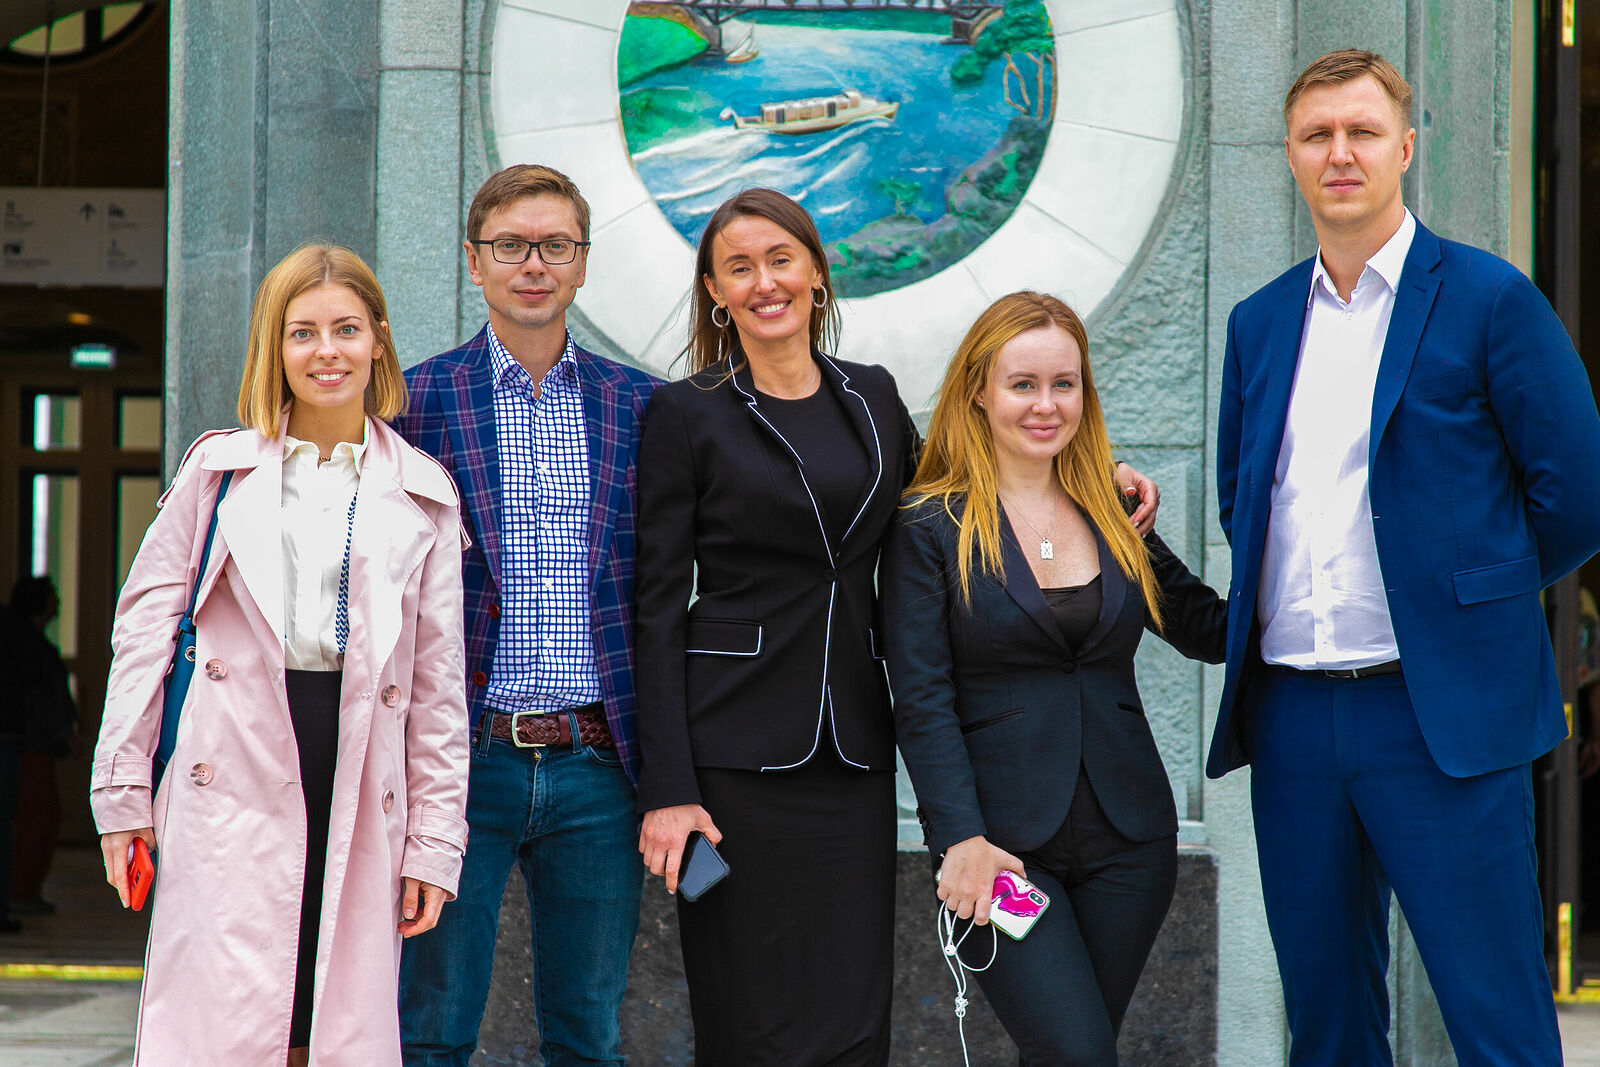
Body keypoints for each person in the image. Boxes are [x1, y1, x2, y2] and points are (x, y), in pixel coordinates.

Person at [633, 191, 1160, 1064]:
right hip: (730, 753)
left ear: (816, 272)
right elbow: (655, 608)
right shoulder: (688, 412)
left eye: (781, 260)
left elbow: (963, 495)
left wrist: (1097, 475)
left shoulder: (871, 396)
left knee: (852, 1011)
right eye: (739, 267)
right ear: (716, 292)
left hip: (854, 750)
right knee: (748, 1014)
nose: (765, 282)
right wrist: (668, 787)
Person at [1208, 49, 1600, 1065]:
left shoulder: (1489, 298)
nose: (1339, 152)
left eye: (1362, 131)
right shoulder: (1258, 323)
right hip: (1294, 719)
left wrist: (1463, 603)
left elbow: (1575, 496)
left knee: (1496, 1019)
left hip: (1441, 715)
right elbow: (1245, 500)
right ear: (1290, 155)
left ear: (1405, 148)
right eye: (1317, 135)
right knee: (1327, 1024)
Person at [91, 244, 470, 1066]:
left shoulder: (424, 491)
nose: (327, 351)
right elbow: (143, 634)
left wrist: (436, 842)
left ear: (378, 339)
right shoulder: (216, 472)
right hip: (231, 760)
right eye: (303, 332)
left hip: (359, 764)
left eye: (346, 329)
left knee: (327, 1019)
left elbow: (438, 688)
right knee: (229, 1020)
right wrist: (121, 796)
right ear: (276, 346)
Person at [883, 290, 1225, 1064]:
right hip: (1001, 851)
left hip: (1131, 843)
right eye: (1023, 384)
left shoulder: (1111, 506)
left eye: (1064, 384)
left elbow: (1206, 628)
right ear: (979, 391)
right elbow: (922, 697)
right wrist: (959, 838)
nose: (1047, 404)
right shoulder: (930, 524)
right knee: (1076, 1053)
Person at [394, 164, 660, 1067]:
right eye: (510, 246)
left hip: (599, 764)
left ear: (582, 262)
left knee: (589, 1033)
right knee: (432, 1029)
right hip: (462, 760)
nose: (533, 264)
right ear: (475, 262)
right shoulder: (417, 403)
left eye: (554, 245)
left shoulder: (641, 406)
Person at [7, 576, 77, 915]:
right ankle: (20, 891)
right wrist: (61, 731)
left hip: (39, 743)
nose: (58, 603)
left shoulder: (32, 642)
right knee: (36, 818)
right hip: (32, 743)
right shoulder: (24, 644)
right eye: (53, 596)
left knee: (43, 818)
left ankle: (26, 890)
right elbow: (37, 698)